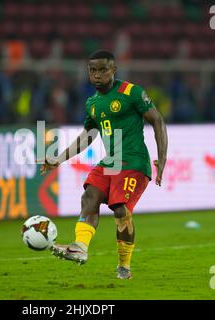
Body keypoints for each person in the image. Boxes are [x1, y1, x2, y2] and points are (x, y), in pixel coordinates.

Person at [39, 50, 168, 279]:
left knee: (121, 211)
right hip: (111, 161)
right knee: (90, 195)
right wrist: (58, 159)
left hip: (134, 161)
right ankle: (80, 247)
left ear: (113, 70)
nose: (97, 75)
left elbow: (157, 120)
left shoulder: (131, 92)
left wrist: (162, 157)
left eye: (102, 70)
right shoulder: (92, 103)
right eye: (92, 70)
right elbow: (87, 136)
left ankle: (124, 267)